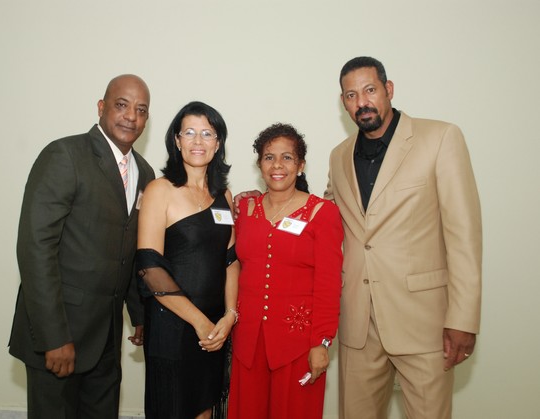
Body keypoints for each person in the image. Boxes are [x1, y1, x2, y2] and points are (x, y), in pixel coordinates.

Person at [327, 56, 482, 419]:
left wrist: (463, 318)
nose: (362, 102)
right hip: (358, 324)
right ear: (344, 102)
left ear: (389, 90)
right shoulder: (339, 156)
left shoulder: (440, 138)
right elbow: (327, 218)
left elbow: (464, 235)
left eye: (370, 90)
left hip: (424, 321)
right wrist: (269, 200)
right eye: (351, 95)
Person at [8, 74, 155, 419]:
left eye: (141, 110)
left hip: (107, 337)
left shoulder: (145, 173)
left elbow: (130, 251)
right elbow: (36, 248)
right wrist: (53, 337)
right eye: (122, 105)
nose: (131, 116)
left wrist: (139, 314)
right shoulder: (65, 155)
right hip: (60, 333)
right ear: (102, 107)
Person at [228, 123, 343, 419]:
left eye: (287, 157)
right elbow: (231, 266)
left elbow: (329, 284)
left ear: (301, 165)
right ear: (259, 165)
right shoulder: (245, 210)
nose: (277, 165)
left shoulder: (322, 213)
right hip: (248, 344)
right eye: (269, 157)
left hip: (298, 345)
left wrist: (322, 342)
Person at [136, 101, 239, 419]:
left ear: (218, 143)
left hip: (214, 327)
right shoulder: (159, 190)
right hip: (173, 324)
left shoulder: (224, 196)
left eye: (207, 133)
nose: (198, 141)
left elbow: (231, 260)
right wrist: (199, 321)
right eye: (189, 132)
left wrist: (230, 315)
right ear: (177, 140)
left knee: (204, 409)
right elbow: (150, 268)